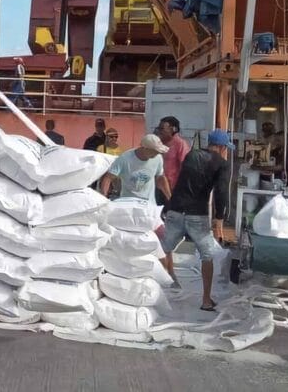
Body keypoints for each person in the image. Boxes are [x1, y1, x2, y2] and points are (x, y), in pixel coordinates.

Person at [160, 129, 233, 312]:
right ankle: (206, 300)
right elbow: (221, 193)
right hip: (197, 215)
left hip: (175, 209)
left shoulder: (191, 155)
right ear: (222, 147)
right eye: (226, 148)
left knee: (163, 248)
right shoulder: (222, 164)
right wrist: (219, 221)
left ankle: (163, 289)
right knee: (206, 255)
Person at [100, 134, 171, 203]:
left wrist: (170, 198)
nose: (157, 154)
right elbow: (108, 178)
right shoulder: (125, 158)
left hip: (149, 203)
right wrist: (103, 198)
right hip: (128, 203)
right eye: (155, 151)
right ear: (145, 148)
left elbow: (161, 178)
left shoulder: (158, 158)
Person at [155, 116, 191, 207]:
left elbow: (186, 167)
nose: (159, 131)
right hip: (158, 187)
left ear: (173, 129)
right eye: (158, 128)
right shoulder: (158, 143)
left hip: (173, 189)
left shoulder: (180, 144)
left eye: (162, 128)